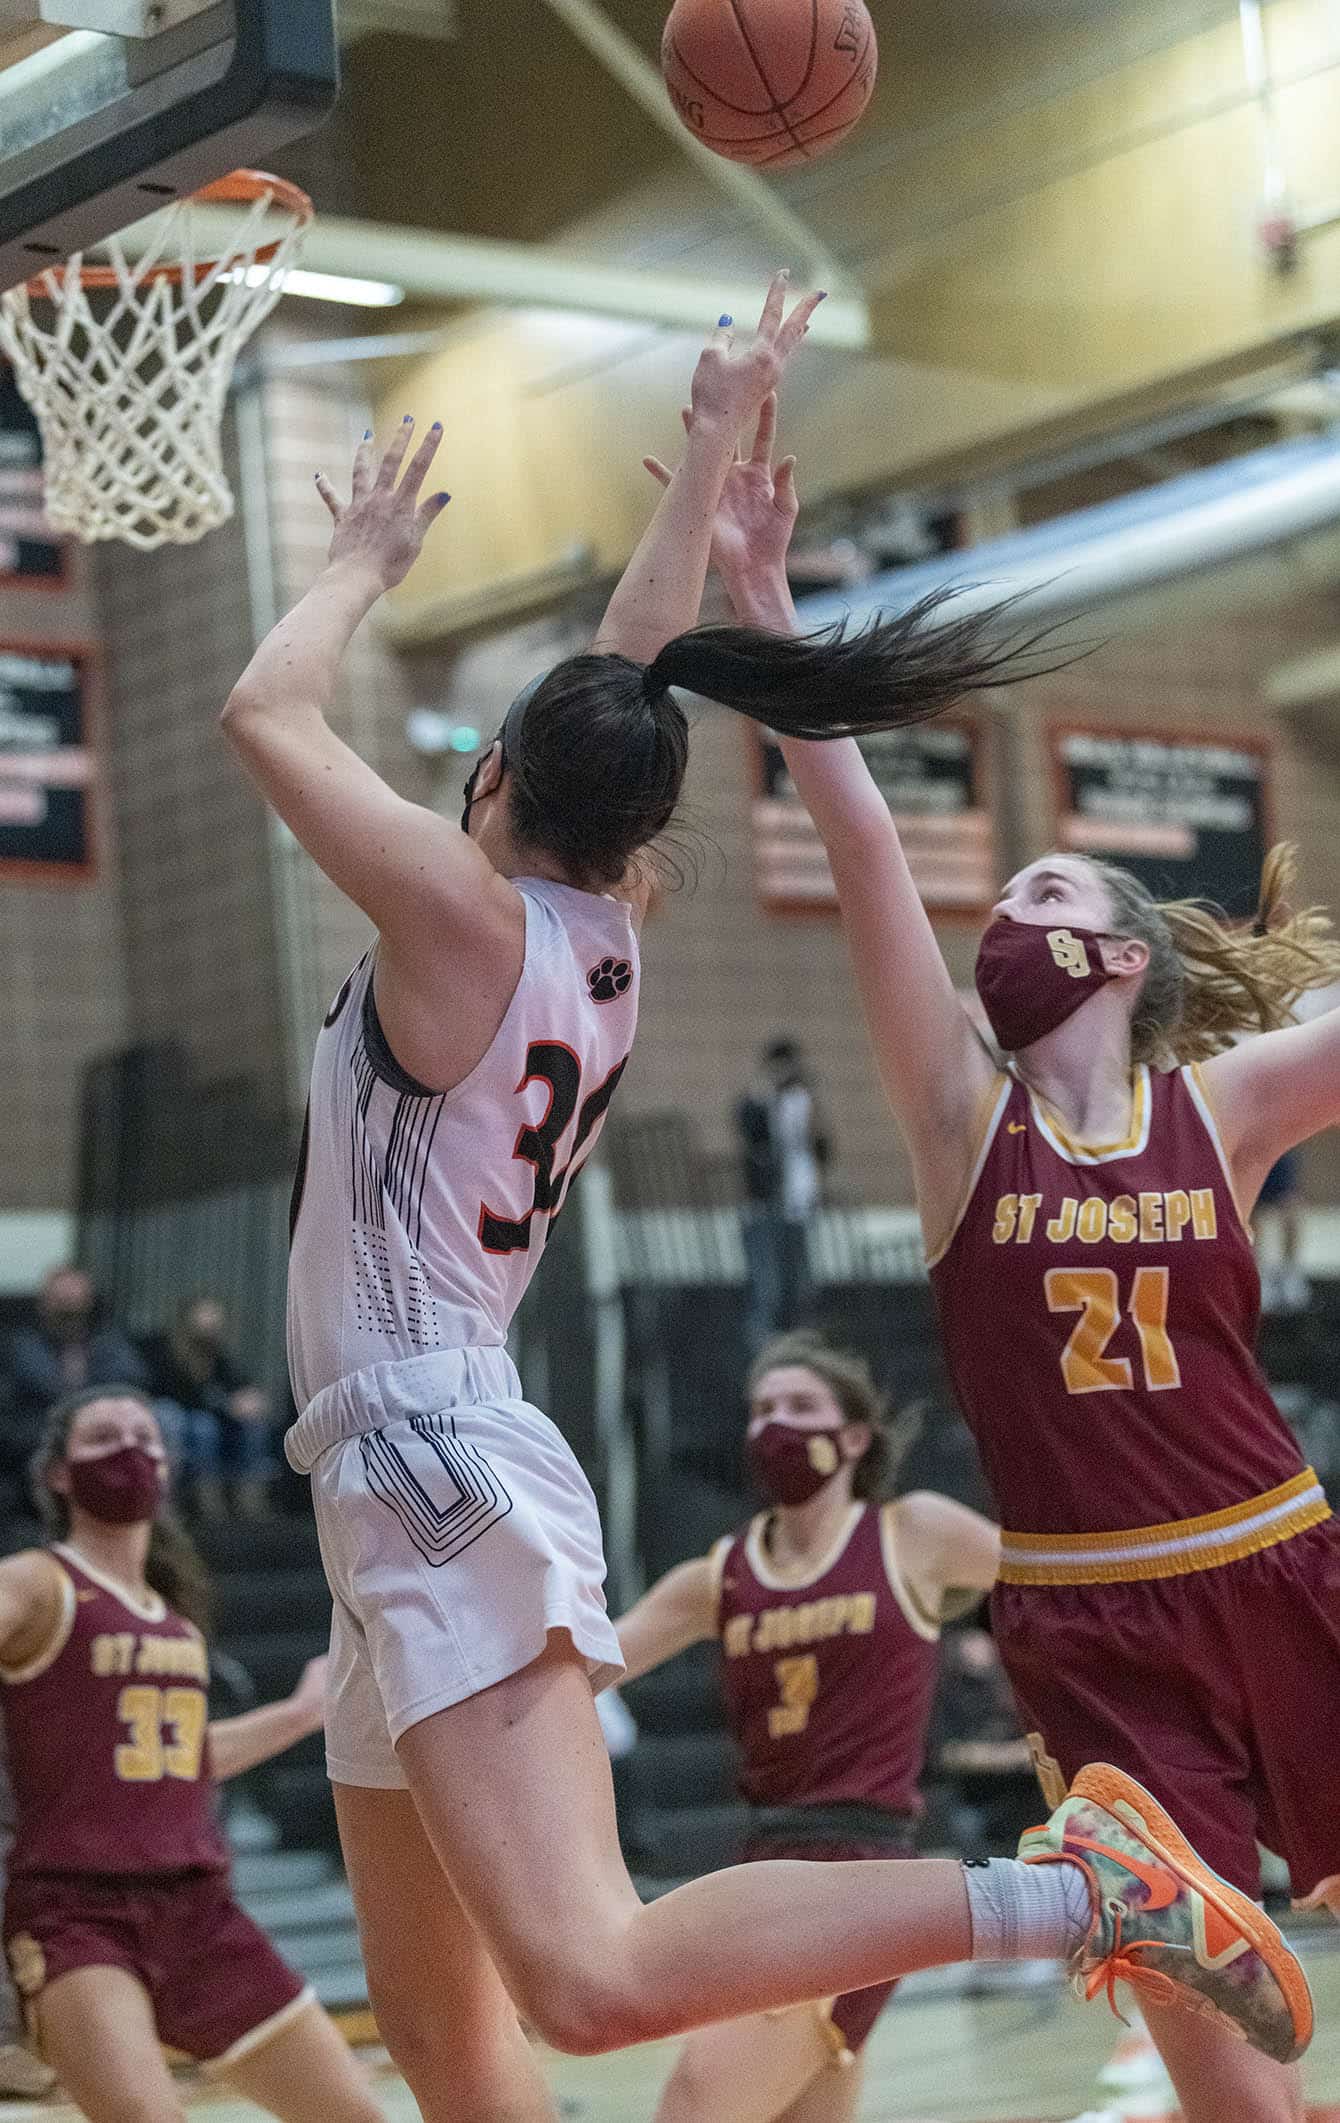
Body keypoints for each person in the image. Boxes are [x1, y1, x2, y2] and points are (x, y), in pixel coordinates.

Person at [221, 277, 1307, 2123]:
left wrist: (359, 565)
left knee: (588, 1981)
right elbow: (631, 673)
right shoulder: (593, 924)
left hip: (428, 1451)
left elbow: (267, 706)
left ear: (488, 777)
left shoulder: (464, 914)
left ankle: (1079, 1894)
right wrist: (714, 427)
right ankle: (1078, 1892)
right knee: (449, 2042)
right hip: (401, 1458)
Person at [651, 377, 1340, 2123]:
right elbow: (864, 841)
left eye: (1043, 895)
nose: (1002, 918)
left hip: (1280, 1561)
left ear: (1122, 955)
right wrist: (769, 612)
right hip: (1090, 1627)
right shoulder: (961, 1120)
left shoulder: (1225, 1107)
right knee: (1226, 2078)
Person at [615, 1331, 999, 2123]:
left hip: (863, 1863)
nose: (775, 1424)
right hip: (764, 1858)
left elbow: (1059, 1577)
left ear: (853, 1437)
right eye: (761, 1409)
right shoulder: (719, 1574)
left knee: (697, 2102)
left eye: (799, 1405)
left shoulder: (912, 1533)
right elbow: (587, 1665)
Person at [0, 1385, 382, 2123]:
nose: (129, 1448)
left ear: (168, 1466)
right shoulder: (39, 1583)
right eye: (104, 1436)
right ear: (57, 1473)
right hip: (77, 1913)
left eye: (144, 1435)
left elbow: (181, 1759)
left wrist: (301, 1713)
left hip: (200, 1912)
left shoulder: (172, 1620)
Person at [2, 1268, 148, 1502]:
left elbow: (132, 1384)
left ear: (88, 1306)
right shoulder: (20, 1348)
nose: (69, 1317)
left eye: (75, 1309)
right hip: (37, 1438)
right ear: (44, 1306)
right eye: (62, 1308)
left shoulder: (109, 1344)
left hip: (104, 1435)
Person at [140, 1295, 274, 1520]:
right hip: (174, 1416)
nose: (211, 1323)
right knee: (198, 1425)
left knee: (250, 1425)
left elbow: (235, 1384)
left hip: (210, 1419)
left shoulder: (217, 1357)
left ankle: (249, 1496)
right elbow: (172, 1392)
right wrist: (226, 1405)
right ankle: (186, 1496)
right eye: (205, 1315)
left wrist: (248, 1399)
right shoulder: (163, 1349)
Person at [736, 1040, 831, 1350]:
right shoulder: (760, 1101)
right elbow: (749, 1132)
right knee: (768, 1284)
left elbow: (821, 1147)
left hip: (799, 1202)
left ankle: (802, 1346)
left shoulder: (804, 1101)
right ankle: (767, 1348)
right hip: (765, 1204)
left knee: (800, 1280)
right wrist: (764, 1097)